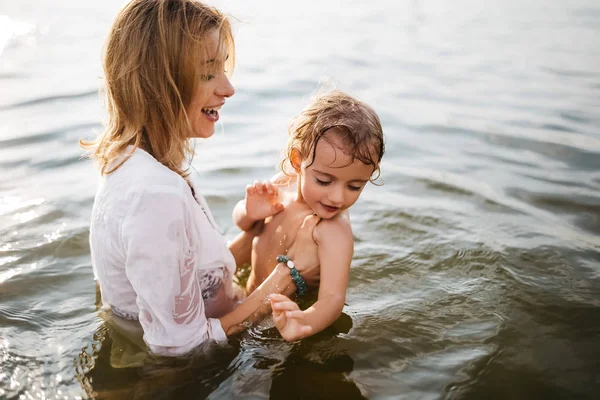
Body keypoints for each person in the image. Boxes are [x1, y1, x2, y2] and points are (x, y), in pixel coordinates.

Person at [81, 0, 321, 357]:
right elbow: (181, 346)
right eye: (209, 73)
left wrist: (254, 234)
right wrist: (290, 277)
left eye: (222, 69)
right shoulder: (155, 196)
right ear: (160, 84)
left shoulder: (136, 164)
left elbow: (190, 277)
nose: (228, 88)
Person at [232, 90, 385, 341]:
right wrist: (248, 212)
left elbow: (333, 299)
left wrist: (304, 321)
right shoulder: (281, 185)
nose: (337, 197)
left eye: (355, 186)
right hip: (243, 297)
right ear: (297, 160)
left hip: (275, 323)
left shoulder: (332, 230)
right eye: (324, 181)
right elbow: (244, 225)